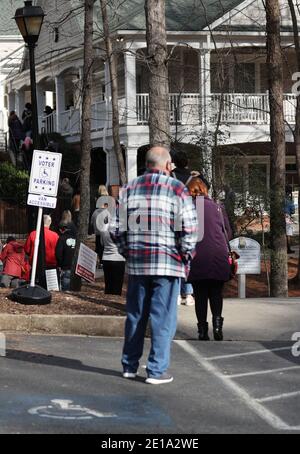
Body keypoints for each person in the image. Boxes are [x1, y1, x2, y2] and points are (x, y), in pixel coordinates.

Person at [112, 146, 198, 384]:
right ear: (168, 165)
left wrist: (128, 252)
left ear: (147, 164)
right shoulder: (177, 189)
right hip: (168, 263)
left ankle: (129, 365)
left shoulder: (129, 189)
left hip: (138, 264)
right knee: (163, 317)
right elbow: (189, 231)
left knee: (136, 316)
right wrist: (185, 256)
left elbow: (116, 229)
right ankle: (156, 370)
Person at [187, 177, 232, 341]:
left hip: (197, 255)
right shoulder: (218, 207)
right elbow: (228, 232)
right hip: (218, 254)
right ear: (205, 190)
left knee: (199, 295)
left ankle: (202, 331)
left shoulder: (188, 208)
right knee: (216, 292)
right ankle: (218, 326)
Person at [98, 208, 126, 295]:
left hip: (106, 258)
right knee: (117, 286)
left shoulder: (103, 229)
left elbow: (102, 243)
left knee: (108, 285)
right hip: (119, 259)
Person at [90, 185, 109, 265]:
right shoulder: (108, 198)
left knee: (98, 246)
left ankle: (101, 261)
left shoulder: (98, 199)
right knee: (105, 245)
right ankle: (104, 260)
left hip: (98, 231)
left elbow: (91, 222)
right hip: (105, 230)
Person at [55, 221, 77, 291]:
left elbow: (58, 253)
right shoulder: (78, 239)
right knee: (75, 290)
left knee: (66, 291)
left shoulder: (62, 238)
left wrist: (60, 264)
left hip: (65, 267)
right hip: (76, 268)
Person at [285, 185, 295, 254]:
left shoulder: (279, 198)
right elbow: (293, 211)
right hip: (287, 217)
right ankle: (288, 249)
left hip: (279, 216)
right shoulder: (289, 200)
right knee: (288, 234)